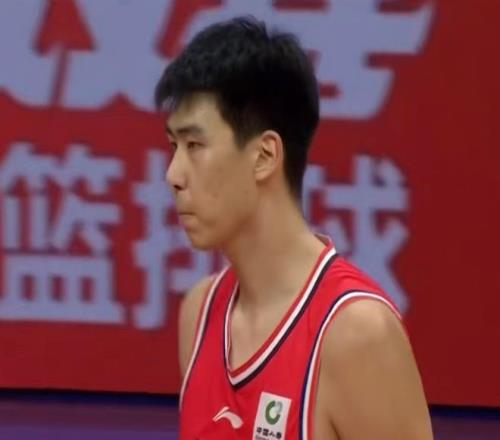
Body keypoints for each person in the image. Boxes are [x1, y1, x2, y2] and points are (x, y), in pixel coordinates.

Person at [155, 16, 433, 440]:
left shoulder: (355, 332)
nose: (173, 174)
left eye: (195, 146)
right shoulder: (200, 312)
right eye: (173, 146)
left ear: (265, 156)